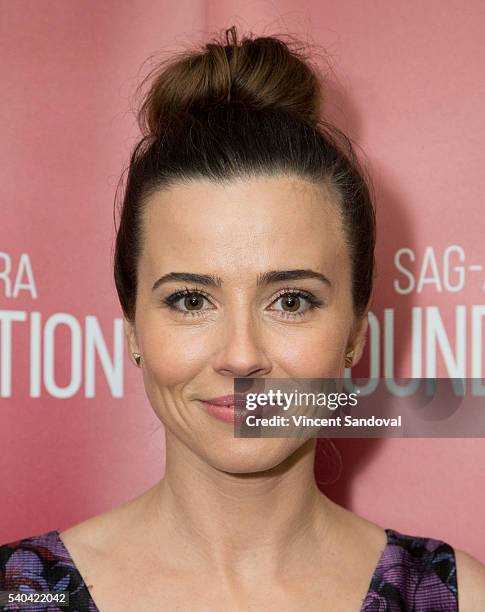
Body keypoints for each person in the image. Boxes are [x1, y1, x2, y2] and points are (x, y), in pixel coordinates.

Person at [1, 25, 484, 612]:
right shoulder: (21, 594)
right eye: (190, 300)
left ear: (357, 329)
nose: (241, 354)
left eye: (290, 300)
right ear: (132, 326)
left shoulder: (455, 596)